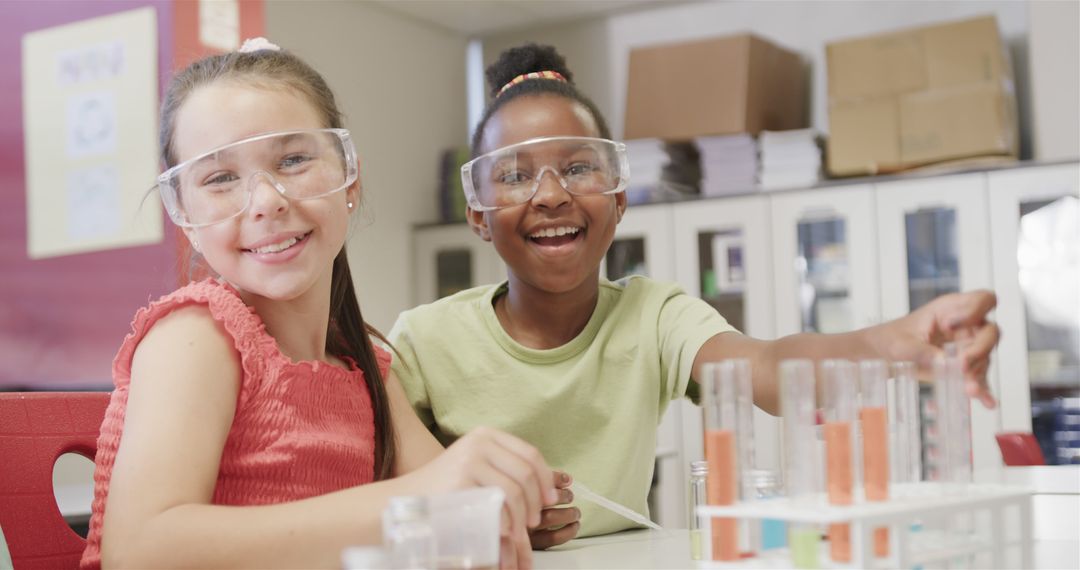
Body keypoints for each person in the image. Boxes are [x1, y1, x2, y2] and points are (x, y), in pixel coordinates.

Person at [388, 43, 1001, 548]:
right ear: (477, 212)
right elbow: (388, 497)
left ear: (620, 197)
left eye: (578, 168)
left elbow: (765, 369)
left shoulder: (652, 315)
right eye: (515, 176)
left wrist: (895, 343)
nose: (550, 195)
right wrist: (482, 519)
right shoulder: (425, 339)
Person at [80, 40, 559, 570]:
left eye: (293, 160)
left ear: (350, 177)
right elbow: (140, 549)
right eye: (220, 179)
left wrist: (504, 503)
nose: (266, 201)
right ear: (186, 216)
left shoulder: (365, 366)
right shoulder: (195, 336)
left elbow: (449, 505)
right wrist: (415, 502)